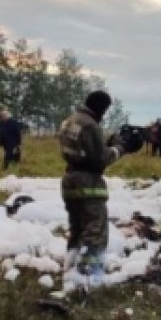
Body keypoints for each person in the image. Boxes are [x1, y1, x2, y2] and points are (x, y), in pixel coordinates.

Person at [58, 90, 131, 286]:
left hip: (69, 180)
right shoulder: (91, 125)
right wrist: (120, 148)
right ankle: (90, 276)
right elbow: (100, 160)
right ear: (101, 107)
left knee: (77, 229)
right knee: (95, 230)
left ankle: (70, 268)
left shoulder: (69, 121)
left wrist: (105, 145)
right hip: (88, 183)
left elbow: (81, 149)